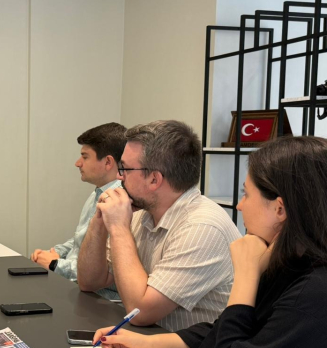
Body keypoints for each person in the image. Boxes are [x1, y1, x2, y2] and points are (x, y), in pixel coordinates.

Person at [94, 136, 327, 348]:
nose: (239, 206)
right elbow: (229, 332)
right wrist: (148, 344)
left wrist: (246, 274)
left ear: (279, 209)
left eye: (246, 194)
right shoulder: (293, 263)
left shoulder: (314, 293)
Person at [78, 120, 241, 331]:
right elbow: (89, 282)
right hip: (149, 340)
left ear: (154, 179)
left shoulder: (202, 228)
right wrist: (99, 220)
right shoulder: (142, 212)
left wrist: (118, 228)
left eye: (125, 168)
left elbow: (140, 313)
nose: (119, 176)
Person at [30, 122, 126, 289]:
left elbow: (105, 271)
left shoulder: (120, 204)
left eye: (85, 157)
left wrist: (55, 264)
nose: (78, 163)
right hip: (76, 287)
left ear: (108, 162)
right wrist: (55, 253)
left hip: (100, 298)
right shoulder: (97, 194)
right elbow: (79, 241)